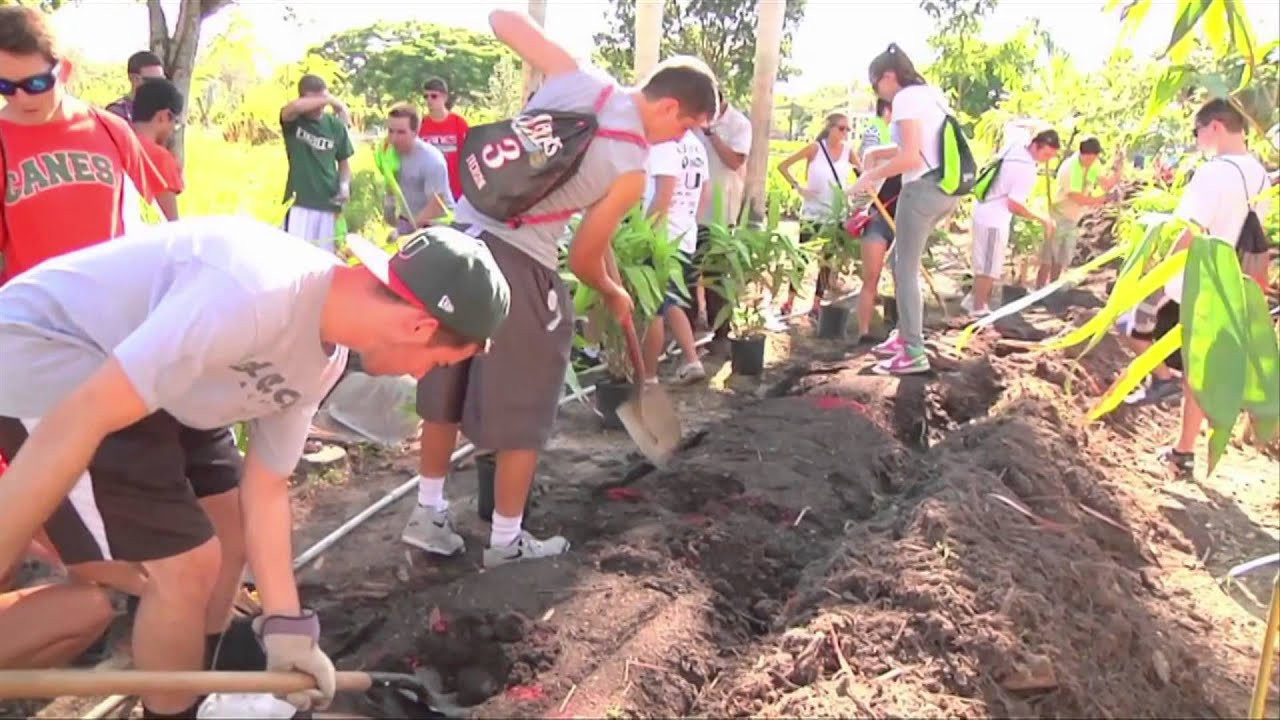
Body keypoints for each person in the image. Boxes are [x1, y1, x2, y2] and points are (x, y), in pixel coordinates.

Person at [0, 214, 511, 717]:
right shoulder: (252, 293)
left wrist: (289, 629)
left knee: (229, 539)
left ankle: (198, 687)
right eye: (439, 363)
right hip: (51, 354)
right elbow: (84, 413)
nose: (424, 374)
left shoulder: (322, 359)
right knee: (185, 568)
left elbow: (266, 487)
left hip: (163, 381)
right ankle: (173, 708)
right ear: (420, 325)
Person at [400, 9, 717, 568]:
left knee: (447, 380)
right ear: (668, 106)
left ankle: (427, 514)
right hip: (519, 264)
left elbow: (501, 19)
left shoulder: (580, 79)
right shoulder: (632, 165)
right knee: (526, 406)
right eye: (687, 125)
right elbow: (582, 257)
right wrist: (614, 294)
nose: (681, 136)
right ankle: (506, 541)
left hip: (459, 241)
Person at [1124, 99, 1270, 474]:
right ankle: (1184, 450)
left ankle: (1161, 385)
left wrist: (1159, 271)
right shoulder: (1259, 174)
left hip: (1192, 281)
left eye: (1198, 131)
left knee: (1134, 326)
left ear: (1216, 126)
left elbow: (1190, 231)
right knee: (1201, 369)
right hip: (1232, 282)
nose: (1198, 139)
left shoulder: (1214, 173)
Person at [0, 5, 162, 285]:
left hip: (113, 310)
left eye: (36, 83)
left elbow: (158, 222)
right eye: (5, 86)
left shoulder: (111, 129)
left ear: (65, 71)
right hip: (35, 316)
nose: (22, 98)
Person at [846, 44, 961, 375]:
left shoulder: (906, 98)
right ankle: (904, 337)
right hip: (943, 188)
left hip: (921, 188)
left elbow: (911, 159)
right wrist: (879, 155)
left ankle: (913, 351)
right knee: (898, 261)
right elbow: (916, 147)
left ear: (888, 76)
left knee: (906, 268)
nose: (877, 93)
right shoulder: (930, 96)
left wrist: (868, 176)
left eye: (875, 84)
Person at [641, 128, 710, 385]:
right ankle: (692, 360)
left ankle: (648, 377)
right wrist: (689, 223)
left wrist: (642, 233)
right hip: (684, 235)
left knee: (654, 309)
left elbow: (662, 196)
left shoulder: (664, 143)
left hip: (661, 237)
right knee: (671, 303)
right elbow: (705, 193)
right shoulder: (697, 146)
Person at [967, 128, 1061, 316]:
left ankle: (975, 302)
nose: (1047, 159)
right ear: (1035, 146)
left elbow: (1017, 125)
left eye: (1051, 156)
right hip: (993, 219)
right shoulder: (1026, 170)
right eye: (1046, 154)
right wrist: (1041, 219)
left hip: (983, 210)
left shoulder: (1015, 146)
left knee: (986, 263)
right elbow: (1014, 205)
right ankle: (978, 308)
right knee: (988, 266)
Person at [777, 112, 858, 316]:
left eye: (848, 129)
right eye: (841, 128)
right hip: (813, 212)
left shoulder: (848, 151)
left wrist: (854, 193)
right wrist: (798, 187)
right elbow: (783, 166)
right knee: (802, 258)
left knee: (827, 261)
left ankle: (816, 303)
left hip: (835, 213)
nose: (845, 133)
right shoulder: (816, 148)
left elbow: (863, 174)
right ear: (829, 128)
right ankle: (789, 301)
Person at [692, 87, 752, 345]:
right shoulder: (692, 119)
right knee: (690, 270)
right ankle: (692, 327)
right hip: (691, 209)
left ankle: (721, 333)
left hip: (721, 211)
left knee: (717, 273)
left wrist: (710, 133)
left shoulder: (739, 124)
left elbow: (734, 161)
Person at [279, 75, 354, 253]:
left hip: (328, 203)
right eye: (316, 100)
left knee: (326, 259)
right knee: (295, 255)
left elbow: (344, 162)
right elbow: (293, 108)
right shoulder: (294, 121)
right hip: (301, 202)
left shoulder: (334, 125)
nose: (321, 106)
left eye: (324, 100)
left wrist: (344, 186)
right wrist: (331, 100)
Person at [1039, 136, 1123, 287]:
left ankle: (1053, 287)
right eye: (1090, 159)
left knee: (1062, 256)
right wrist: (1102, 199)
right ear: (1083, 154)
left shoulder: (1092, 165)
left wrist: (1117, 170)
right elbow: (1077, 197)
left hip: (1073, 217)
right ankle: (1039, 289)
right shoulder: (1071, 168)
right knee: (1050, 255)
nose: (1092, 162)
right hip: (1058, 214)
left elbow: (1106, 184)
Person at [852, 99, 902, 341]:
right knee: (871, 277)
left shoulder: (922, 153)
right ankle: (863, 332)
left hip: (905, 222)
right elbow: (868, 162)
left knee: (903, 277)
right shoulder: (885, 145)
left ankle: (902, 332)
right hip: (878, 217)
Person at [383, 103, 453, 235]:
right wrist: (389, 204)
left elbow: (436, 206)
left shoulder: (432, 161)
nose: (394, 138)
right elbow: (391, 178)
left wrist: (405, 230)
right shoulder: (390, 152)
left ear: (415, 132)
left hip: (437, 225)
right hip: (408, 218)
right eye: (390, 131)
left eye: (401, 132)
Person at [130, 77, 186, 221]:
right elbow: (171, 223)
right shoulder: (160, 158)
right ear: (163, 116)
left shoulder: (112, 143)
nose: (173, 129)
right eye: (175, 122)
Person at [417, 77, 469, 202]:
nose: (429, 100)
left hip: (456, 190)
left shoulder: (458, 123)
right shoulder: (420, 125)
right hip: (429, 191)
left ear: (444, 97)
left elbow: (468, 155)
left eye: (434, 96)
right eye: (426, 97)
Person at [104, 50, 164, 122]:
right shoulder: (117, 112)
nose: (160, 85)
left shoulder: (161, 112)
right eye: (154, 81)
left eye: (162, 80)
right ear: (134, 79)